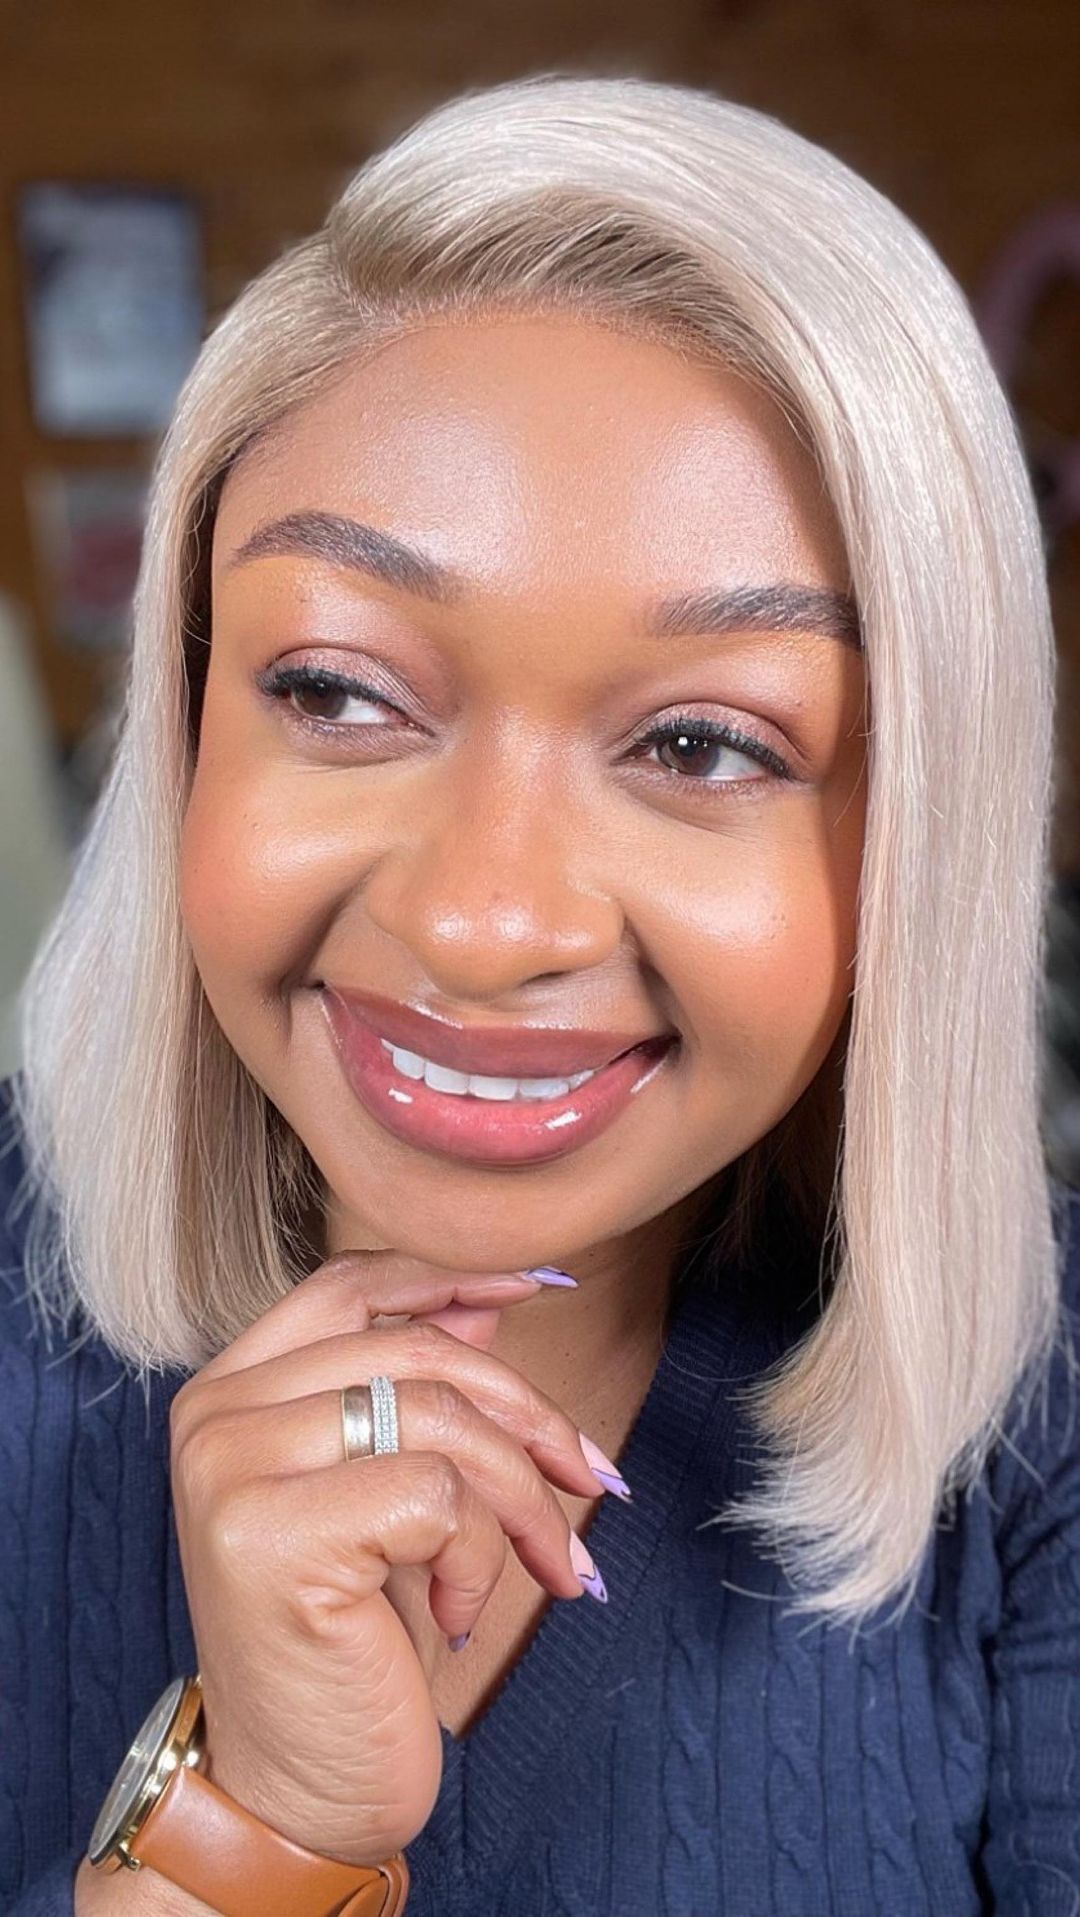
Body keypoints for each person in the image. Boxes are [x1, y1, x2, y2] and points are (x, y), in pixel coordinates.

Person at [2, 69, 1077, 1917]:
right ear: (186, 718)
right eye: (337, 691)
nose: (485, 922)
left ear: (918, 824)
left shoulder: (1042, 1419)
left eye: (704, 741)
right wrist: (257, 1830)